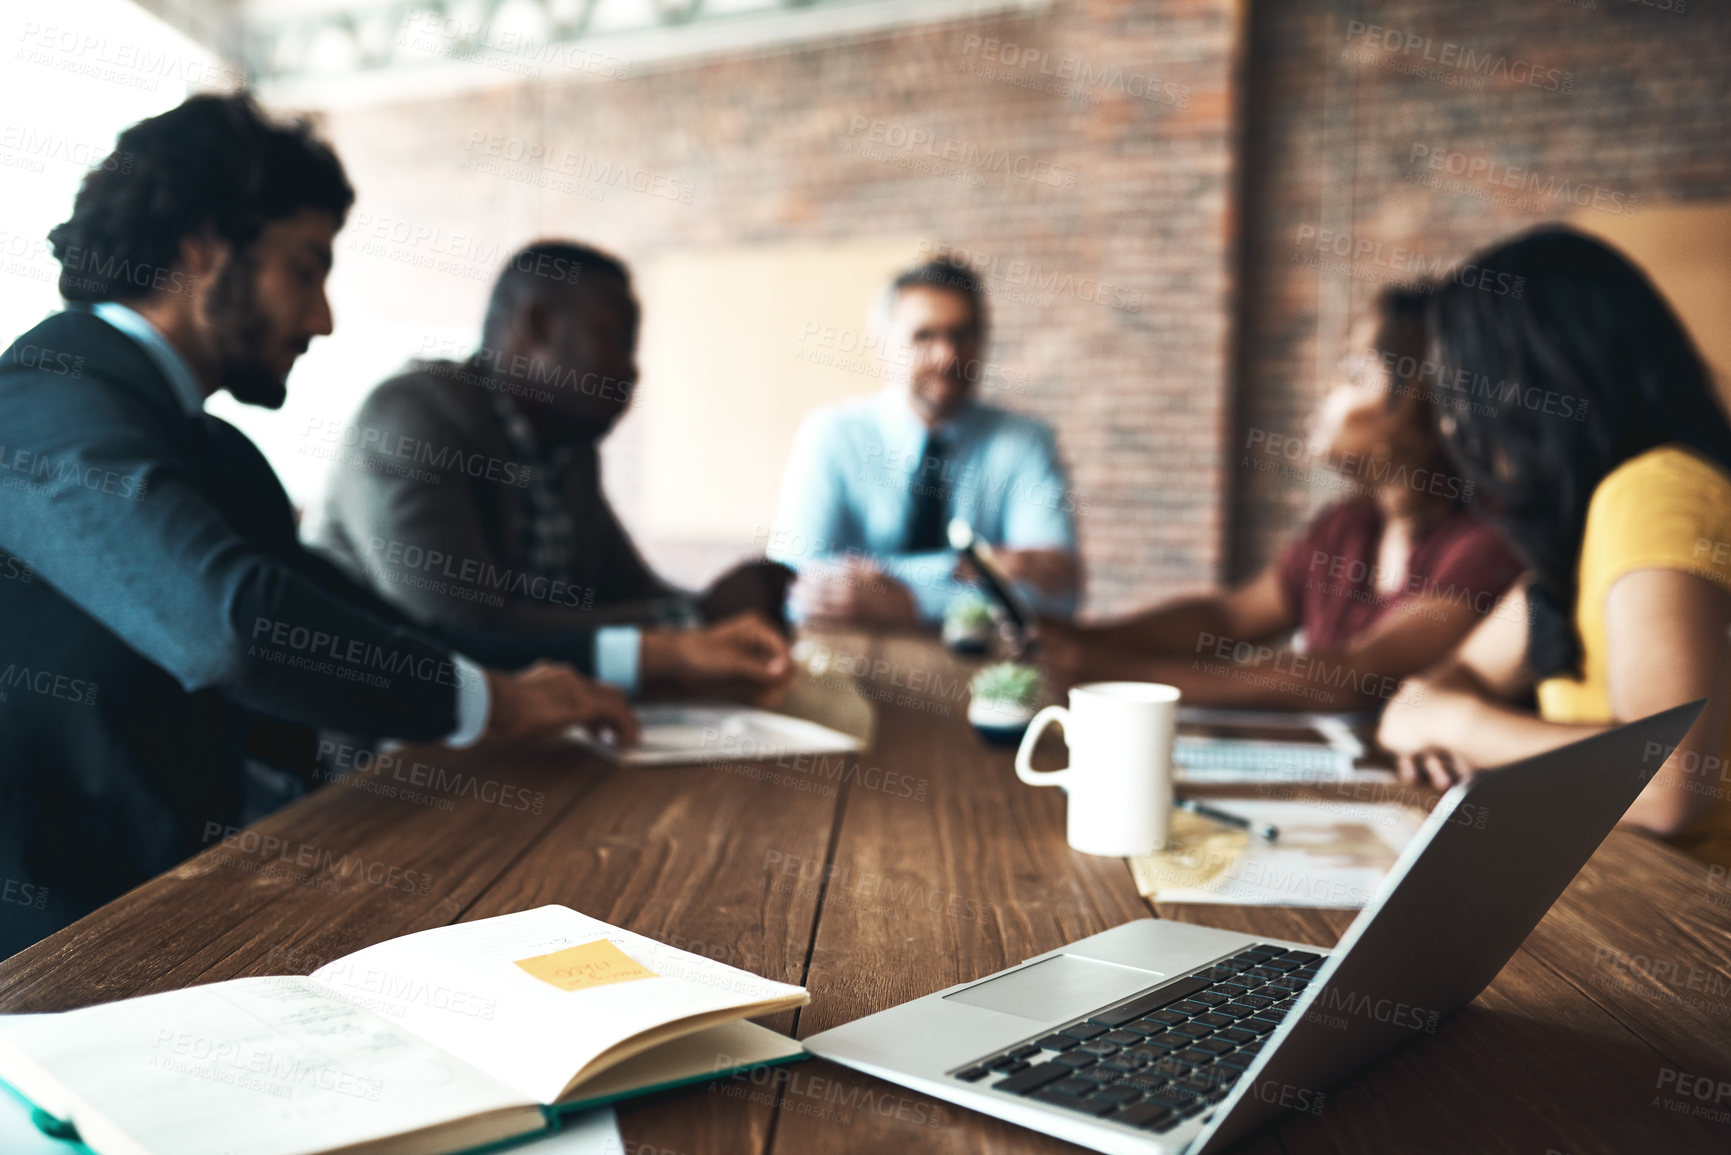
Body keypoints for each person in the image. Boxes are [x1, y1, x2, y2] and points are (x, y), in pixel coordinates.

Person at [0, 94, 636, 957]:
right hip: (39, 970)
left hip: (166, 917)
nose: (323, 317)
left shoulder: (207, 448)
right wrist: (495, 703)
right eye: (305, 269)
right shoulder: (38, 402)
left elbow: (383, 627)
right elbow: (229, 623)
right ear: (201, 250)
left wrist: (566, 680)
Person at [1376, 226, 1731, 869]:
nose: (1455, 424)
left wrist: (1458, 726)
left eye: (1463, 389)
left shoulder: (1655, 494)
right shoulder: (1584, 526)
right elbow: (1456, 676)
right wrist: (1439, 707)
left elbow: (1667, 784)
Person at [310, 240, 793, 703]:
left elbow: (625, 592)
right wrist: (694, 619)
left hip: (526, 737)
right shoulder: (413, 420)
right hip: (382, 761)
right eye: (617, 340)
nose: (632, 370)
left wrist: (723, 612)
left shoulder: (567, 450)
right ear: (538, 325)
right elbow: (465, 633)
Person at [1037, 284, 1523, 711]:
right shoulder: (1348, 525)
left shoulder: (1488, 541)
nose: (1329, 388)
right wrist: (1079, 639)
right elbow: (1227, 618)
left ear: (1420, 400)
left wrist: (1116, 677)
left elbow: (1353, 676)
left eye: (1355, 372)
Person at [768, 258, 1080, 625]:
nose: (947, 356)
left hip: (982, 673)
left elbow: (1056, 597)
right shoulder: (831, 435)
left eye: (963, 335)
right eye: (924, 336)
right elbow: (796, 587)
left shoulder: (1027, 442)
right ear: (883, 343)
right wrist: (976, 567)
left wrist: (909, 601)